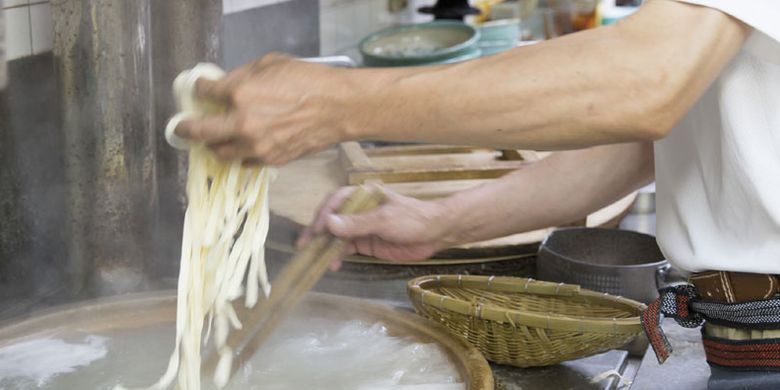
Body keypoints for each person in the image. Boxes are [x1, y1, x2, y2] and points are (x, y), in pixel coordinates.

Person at [175, 0, 780, 387]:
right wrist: (444, 222)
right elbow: (655, 135)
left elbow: (648, 85)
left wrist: (333, 104)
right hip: (741, 341)